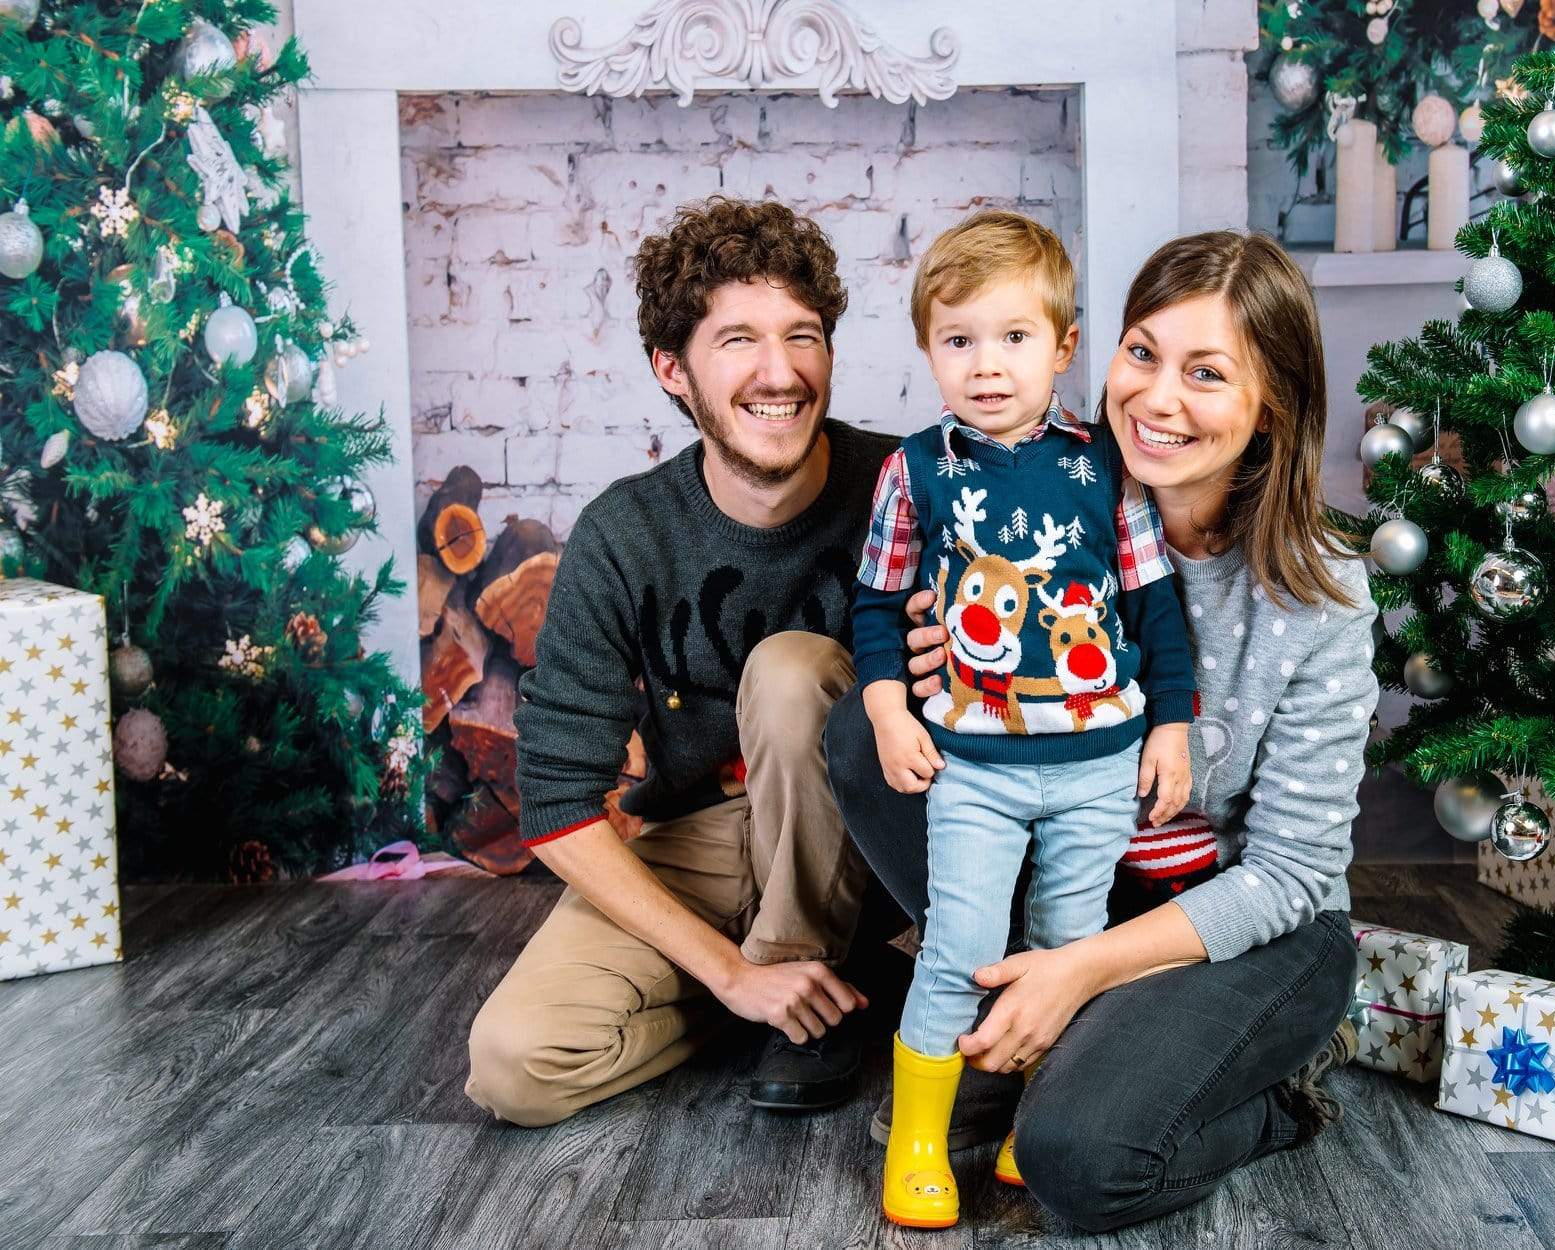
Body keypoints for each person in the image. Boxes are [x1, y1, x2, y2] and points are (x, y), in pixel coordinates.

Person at [826, 230, 1379, 1231]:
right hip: (1073, 846)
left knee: (1078, 1160)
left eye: (1206, 374)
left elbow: (1295, 873)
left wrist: (1078, 966)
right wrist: (928, 663)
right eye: (1142, 354)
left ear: (1270, 410)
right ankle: (1020, 1019)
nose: (1157, 399)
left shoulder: (1318, 597)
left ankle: (1268, 1096)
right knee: (865, 738)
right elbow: (919, 608)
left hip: (1247, 926)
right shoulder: (1047, 488)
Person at [464, 196, 898, 1128]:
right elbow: (556, 801)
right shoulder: (627, 532)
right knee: (516, 1066)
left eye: (803, 335)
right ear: (673, 369)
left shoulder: (909, 487)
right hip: (700, 846)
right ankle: (803, 993)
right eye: (737, 340)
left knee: (789, 671)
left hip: (879, 838)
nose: (779, 373)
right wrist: (729, 973)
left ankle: (823, 987)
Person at [849, 211, 1196, 1229]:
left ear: (1062, 344)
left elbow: (1152, 606)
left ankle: (1031, 1123)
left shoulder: (1107, 466)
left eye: (1012, 338)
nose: (986, 366)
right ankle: (918, 1136)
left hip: (1099, 765)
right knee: (959, 941)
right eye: (958, 341)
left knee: (1065, 940)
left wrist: (1168, 724)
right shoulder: (914, 470)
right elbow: (876, 601)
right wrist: (884, 703)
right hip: (975, 766)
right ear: (928, 350)